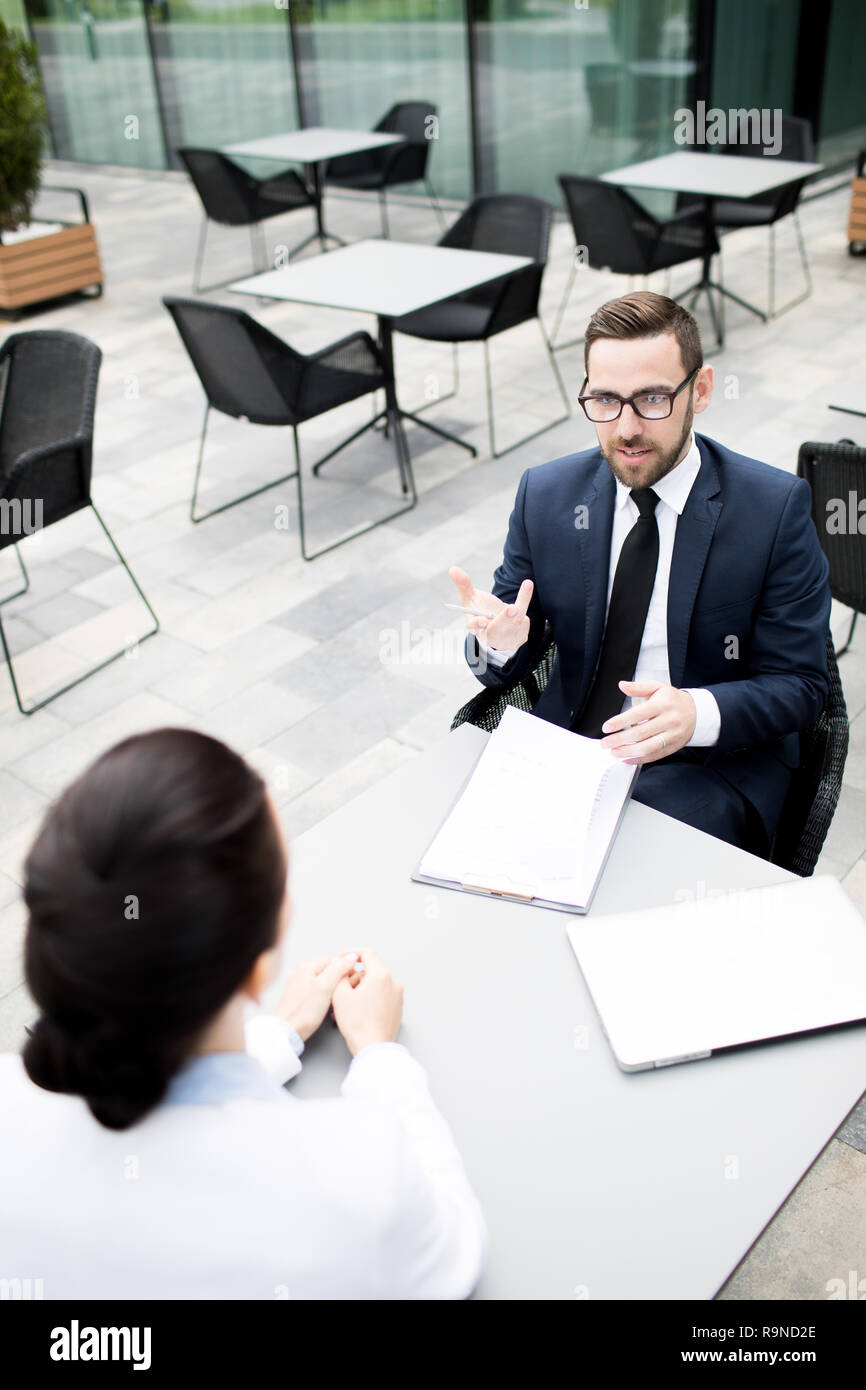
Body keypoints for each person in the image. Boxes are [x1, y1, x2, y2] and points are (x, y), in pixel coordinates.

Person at [0, 728, 485, 1300]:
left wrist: (275, 1035)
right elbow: (456, 1253)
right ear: (262, 959)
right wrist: (381, 1056)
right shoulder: (358, 1179)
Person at [450, 291, 831, 855]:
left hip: (706, 766)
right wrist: (500, 647)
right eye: (604, 399)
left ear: (699, 391)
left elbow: (802, 687)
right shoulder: (546, 493)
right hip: (569, 748)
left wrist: (696, 712)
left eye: (652, 398)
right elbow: (500, 652)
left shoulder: (773, 510)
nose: (626, 428)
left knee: (627, 865)